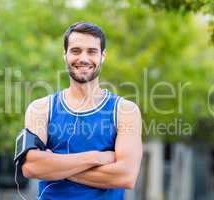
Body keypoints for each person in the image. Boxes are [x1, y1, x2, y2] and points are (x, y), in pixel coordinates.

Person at [22, 22, 143, 200]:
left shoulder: (125, 111)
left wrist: (54, 165)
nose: (83, 58)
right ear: (65, 55)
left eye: (92, 51)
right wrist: (96, 158)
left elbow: (126, 176)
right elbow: (30, 167)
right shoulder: (40, 109)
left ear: (103, 56)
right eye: (76, 51)